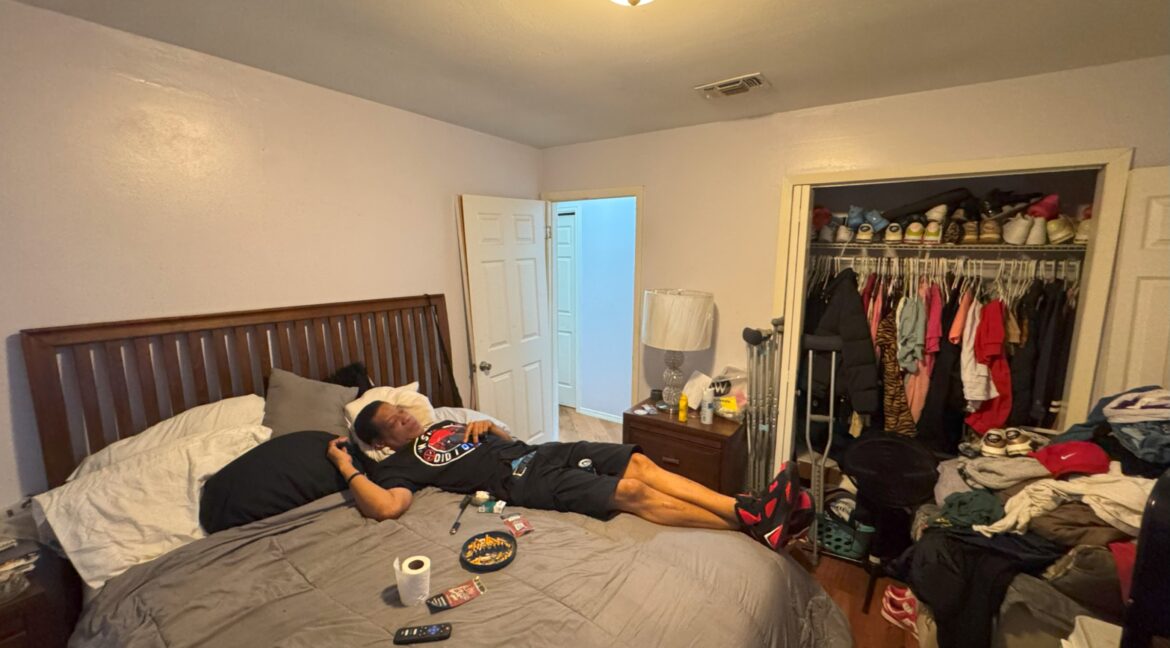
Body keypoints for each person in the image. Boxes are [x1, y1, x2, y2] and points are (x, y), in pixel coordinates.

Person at [326, 401, 810, 551]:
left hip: (540, 452)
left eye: (399, 410)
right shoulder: (396, 465)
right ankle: (751, 523)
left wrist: (490, 427)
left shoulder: (444, 422)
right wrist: (347, 466)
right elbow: (387, 506)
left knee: (638, 462)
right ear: (381, 441)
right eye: (392, 422)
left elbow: (508, 437)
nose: (404, 417)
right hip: (522, 482)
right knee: (631, 491)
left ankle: (747, 509)